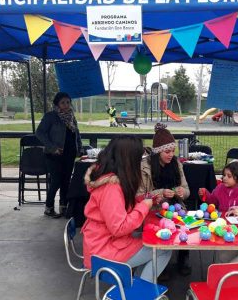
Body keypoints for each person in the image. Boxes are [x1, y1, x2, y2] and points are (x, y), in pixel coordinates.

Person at [81, 135, 172, 282]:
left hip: (104, 244)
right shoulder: (111, 187)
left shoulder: (109, 178)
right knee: (163, 249)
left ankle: (138, 285)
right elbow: (119, 227)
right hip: (103, 254)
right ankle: (140, 293)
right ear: (129, 160)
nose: (140, 163)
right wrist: (144, 206)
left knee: (156, 246)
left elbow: (119, 208)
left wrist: (145, 200)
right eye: (139, 158)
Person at [137, 123, 191, 276]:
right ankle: (162, 261)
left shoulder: (176, 164)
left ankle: (183, 258)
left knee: (183, 225)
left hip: (175, 207)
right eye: (167, 151)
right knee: (159, 231)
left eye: (173, 151)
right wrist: (161, 192)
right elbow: (140, 196)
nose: (170, 155)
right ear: (157, 152)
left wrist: (182, 192)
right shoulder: (145, 167)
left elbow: (187, 190)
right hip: (153, 209)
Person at [36, 92, 82, 218]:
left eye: (68, 102)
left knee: (66, 181)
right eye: (63, 102)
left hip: (70, 153)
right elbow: (39, 133)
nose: (66, 105)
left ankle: (64, 206)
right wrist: (52, 147)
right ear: (57, 104)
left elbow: (76, 134)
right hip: (54, 154)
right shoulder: (51, 116)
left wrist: (80, 149)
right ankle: (49, 207)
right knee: (56, 181)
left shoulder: (71, 116)